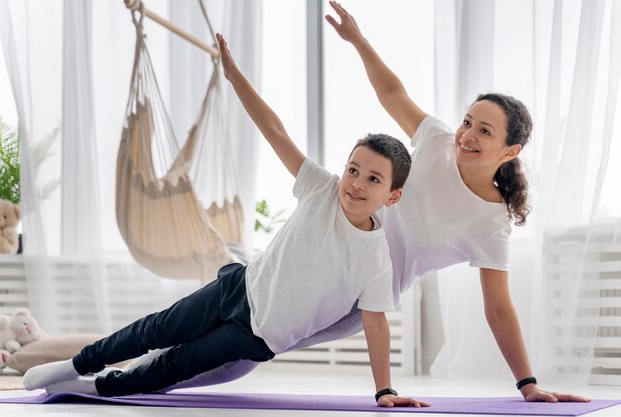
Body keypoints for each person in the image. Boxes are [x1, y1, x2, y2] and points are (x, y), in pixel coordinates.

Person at [22, 33, 423, 408]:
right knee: (154, 329)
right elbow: (274, 130)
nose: (355, 183)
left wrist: (385, 390)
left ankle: (94, 387)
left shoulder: (376, 259)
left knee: (175, 365)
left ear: (392, 196)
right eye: (353, 170)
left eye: (372, 179)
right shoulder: (321, 187)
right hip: (237, 288)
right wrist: (233, 77)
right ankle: (76, 365)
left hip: (255, 335)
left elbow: (376, 325)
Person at [324, 0, 589, 403]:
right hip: (330, 249)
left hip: (362, 296)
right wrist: (358, 40)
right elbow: (393, 93)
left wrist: (527, 384)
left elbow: (499, 308)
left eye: (484, 131)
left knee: (252, 346)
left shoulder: (491, 223)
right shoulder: (435, 142)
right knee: (244, 318)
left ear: (509, 151)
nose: (467, 135)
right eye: (468, 122)